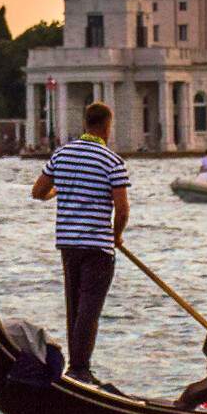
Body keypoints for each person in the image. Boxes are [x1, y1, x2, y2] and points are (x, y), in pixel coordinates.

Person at [31, 100, 131, 384]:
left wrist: (58, 192)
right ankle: (80, 369)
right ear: (106, 126)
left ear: (85, 123)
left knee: (74, 306)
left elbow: (38, 192)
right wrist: (116, 236)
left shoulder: (62, 154)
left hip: (68, 243)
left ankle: (76, 368)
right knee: (89, 308)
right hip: (97, 246)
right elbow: (122, 209)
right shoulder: (113, 161)